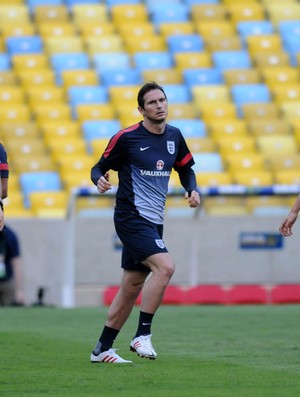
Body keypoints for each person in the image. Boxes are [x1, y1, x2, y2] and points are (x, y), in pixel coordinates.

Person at [90, 82, 200, 364]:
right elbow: (98, 166)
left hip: (154, 222)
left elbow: (186, 168)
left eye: (162, 100)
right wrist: (99, 178)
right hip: (130, 217)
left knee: (131, 286)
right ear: (141, 109)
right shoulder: (126, 138)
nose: (159, 105)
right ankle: (143, 334)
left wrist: (192, 189)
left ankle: (102, 348)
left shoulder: (175, 136)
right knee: (166, 267)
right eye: (152, 102)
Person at [0, 225, 25, 306]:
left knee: (8, 311)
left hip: (6, 282)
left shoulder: (10, 235)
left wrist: (19, 291)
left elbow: (16, 264)